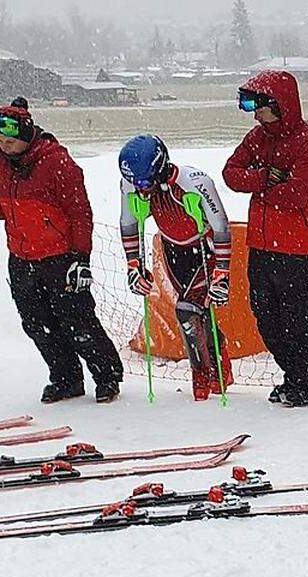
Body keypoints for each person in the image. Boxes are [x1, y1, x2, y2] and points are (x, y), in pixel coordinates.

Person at [0, 98, 123, 403]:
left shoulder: (56, 162)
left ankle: (107, 375)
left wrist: (80, 259)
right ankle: (65, 378)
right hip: (21, 258)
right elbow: (4, 209)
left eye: (11, 142)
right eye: (0, 142)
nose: (5, 147)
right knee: (37, 323)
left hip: (60, 257)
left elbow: (80, 213)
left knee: (77, 320)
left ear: (27, 135)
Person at [222, 70, 308, 407]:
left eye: (258, 105)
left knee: (298, 318)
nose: (254, 114)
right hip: (261, 246)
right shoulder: (257, 139)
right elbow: (231, 174)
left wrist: (260, 186)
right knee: (266, 315)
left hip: (297, 250)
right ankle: (292, 375)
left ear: (278, 105)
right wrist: (267, 178)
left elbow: (302, 192)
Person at [118, 134, 234, 401]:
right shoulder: (131, 185)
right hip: (172, 252)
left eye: (145, 182)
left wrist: (222, 273)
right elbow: (128, 224)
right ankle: (219, 369)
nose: (140, 189)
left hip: (204, 249)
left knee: (187, 310)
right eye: (134, 183)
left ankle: (202, 376)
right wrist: (133, 266)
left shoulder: (194, 181)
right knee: (200, 314)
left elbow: (221, 227)